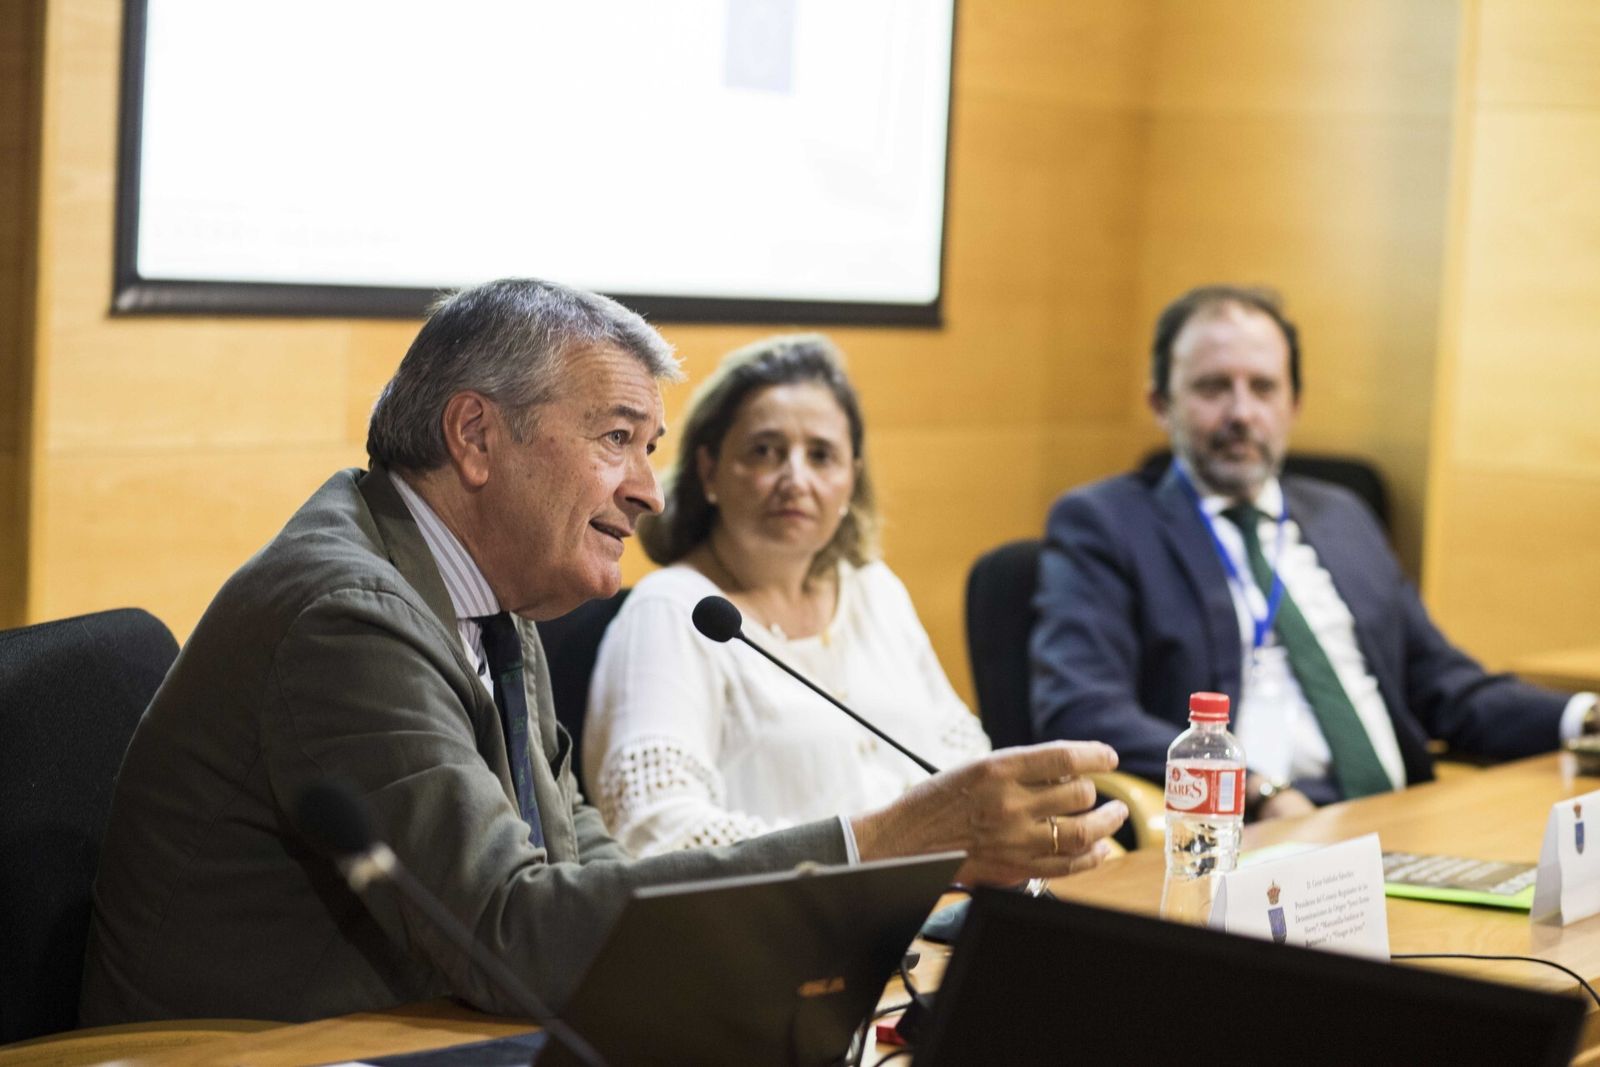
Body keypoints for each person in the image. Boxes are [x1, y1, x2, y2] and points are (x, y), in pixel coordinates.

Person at [81, 278, 1126, 1026]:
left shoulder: (490, 592)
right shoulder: (347, 615)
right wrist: (889, 836)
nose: (647, 490)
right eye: (616, 437)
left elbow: (585, 873)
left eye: (650, 448)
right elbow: (513, 932)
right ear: (477, 438)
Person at [1029, 284, 1594, 821]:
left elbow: (1445, 688)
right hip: (1243, 836)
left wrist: (1585, 719)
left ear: (1295, 404)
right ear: (1161, 403)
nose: (1241, 413)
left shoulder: (1343, 517)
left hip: (1396, 821)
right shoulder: (1106, 524)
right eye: (1212, 387)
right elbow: (1084, 710)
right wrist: (1255, 790)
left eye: (1264, 387)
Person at [582, 334, 991, 856]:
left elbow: (965, 760)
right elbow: (654, 831)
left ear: (851, 482)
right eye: (766, 452)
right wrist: (866, 850)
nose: (795, 479)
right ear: (710, 471)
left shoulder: (874, 590)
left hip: (935, 906)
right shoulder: (672, 612)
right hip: (777, 923)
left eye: (821, 456)